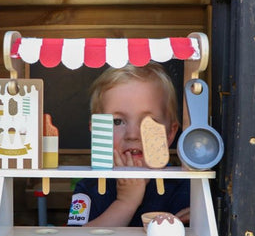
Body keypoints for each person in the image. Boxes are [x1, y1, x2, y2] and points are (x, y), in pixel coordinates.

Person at [67, 62, 190, 227]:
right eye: (117, 121)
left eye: (148, 121)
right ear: (97, 131)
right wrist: (125, 202)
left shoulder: (184, 186)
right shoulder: (89, 187)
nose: (132, 135)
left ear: (170, 134)